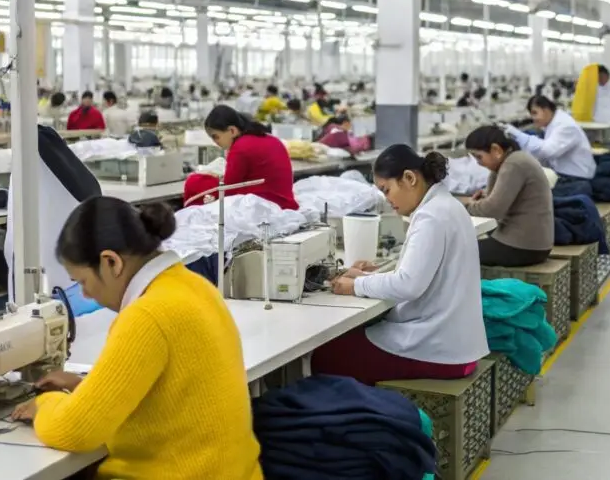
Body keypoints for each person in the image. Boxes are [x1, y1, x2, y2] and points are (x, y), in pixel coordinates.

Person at [10, 197, 262, 480]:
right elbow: (166, 400)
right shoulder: (196, 286)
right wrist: (85, 389)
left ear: (111, 262)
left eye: (82, 282)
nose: (85, 295)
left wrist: (44, 404)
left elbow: (76, 431)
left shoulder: (147, 315)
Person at [311, 146, 489, 385]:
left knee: (325, 356)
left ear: (409, 178)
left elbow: (408, 286)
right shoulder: (446, 205)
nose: (387, 199)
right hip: (456, 345)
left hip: (439, 351)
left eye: (387, 190)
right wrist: (366, 276)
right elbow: (424, 272)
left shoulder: (431, 216)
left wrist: (355, 285)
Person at [463, 126, 554, 267]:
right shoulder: (512, 160)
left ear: (496, 150)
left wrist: (465, 205)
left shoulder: (514, 164)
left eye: (479, 157)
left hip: (522, 247)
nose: (478, 163)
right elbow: (495, 200)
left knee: (457, 250)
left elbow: (492, 210)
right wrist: (484, 198)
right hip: (533, 244)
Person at [186, 105, 298, 210]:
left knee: (194, 182)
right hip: (283, 201)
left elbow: (228, 190)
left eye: (216, 137)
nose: (215, 142)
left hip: (266, 204)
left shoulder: (240, 148)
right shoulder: (269, 138)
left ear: (232, 131)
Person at [504, 95, 596, 180]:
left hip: (575, 178)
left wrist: (519, 135)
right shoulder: (553, 124)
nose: (533, 118)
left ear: (546, 110)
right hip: (565, 174)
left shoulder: (565, 126)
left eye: (535, 113)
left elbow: (547, 151)